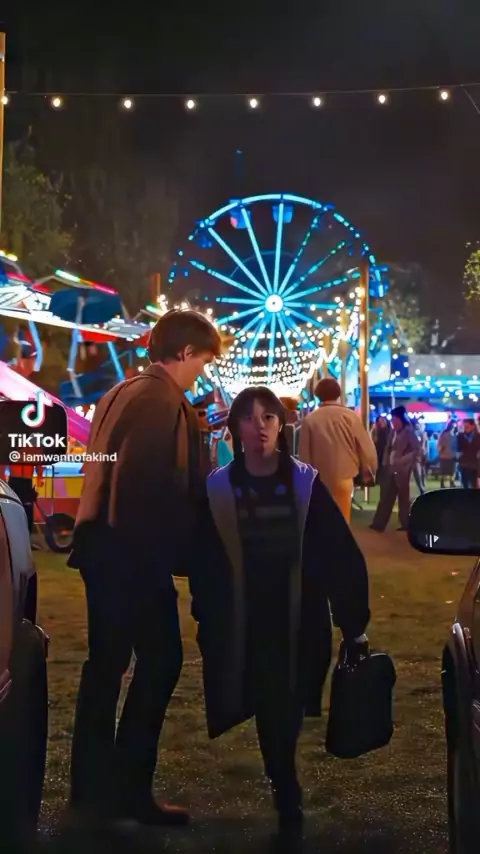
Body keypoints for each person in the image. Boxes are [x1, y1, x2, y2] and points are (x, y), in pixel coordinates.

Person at [189, 387, 370, 835]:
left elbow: (338, 553)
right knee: (269, 701)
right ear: (235, 428)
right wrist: (207, 615)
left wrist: (353, 623)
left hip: (299, 618)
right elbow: (204, 560)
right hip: (246, 618)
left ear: (281, 425)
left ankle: (284, 782)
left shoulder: (305, 485)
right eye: (249, 419)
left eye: (268, 417)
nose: (260, 427)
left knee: (285, 704)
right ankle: (286, 788)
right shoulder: (219, 490)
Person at [67, 309, 221, 826]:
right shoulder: (162, 400)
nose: (200, 373)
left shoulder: (120, 392)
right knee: (161, 660)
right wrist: (173, 557)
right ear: (185, 352)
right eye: (202, 361)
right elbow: (145, 484)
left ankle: (91, 790)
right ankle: (129, 788)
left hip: (100, 547)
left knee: (105, 666)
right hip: (132, 552)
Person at [298, 377, 377, 523]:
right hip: (345, 476)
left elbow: (305, 455)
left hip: (319, 479)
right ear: (338, 394)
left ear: (318, 394)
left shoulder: (310, 420)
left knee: (322, 520)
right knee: (342, 519)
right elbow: (365, 446)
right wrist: (370, 468)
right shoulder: (351, 417)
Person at [370, 406, 419, 532]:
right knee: (386, 496)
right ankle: (379, 523)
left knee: (403, 498)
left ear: (401, 419)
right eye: (392, 419)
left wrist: (402, 460)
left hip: (403, 470)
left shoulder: (409, 432)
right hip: (390, 468)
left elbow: (416, 450)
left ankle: (406, 523)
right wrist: (386, 461)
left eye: (395, 419)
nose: (393, 422)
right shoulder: (393, 432)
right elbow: (388, 446)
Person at [457, 418, 480, 489]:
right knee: (465, 485)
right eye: (464, 427)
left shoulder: (478, 437)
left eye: (467, 427)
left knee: (474, 485)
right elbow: (457, 449)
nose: (465, 429)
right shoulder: (460, 436)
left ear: (473, 426)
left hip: (474, 465)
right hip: (464, 464)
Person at [371, 415, 391, 484]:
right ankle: (378, 480)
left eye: (383, 420)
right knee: (378, 465)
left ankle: (384, 479)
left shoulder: (388, 429)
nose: (382, 422)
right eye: (381, 420)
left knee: (384, 465)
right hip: (377, 449)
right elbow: (373, 438)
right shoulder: (376, 429)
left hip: (385, 449)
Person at [437, 421, 457, 488]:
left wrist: (440, 451)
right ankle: (451, 482)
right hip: (451, 455)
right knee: (452, 470)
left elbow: (439, 444)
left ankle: (442, 483)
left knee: (444, 470)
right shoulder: (453, 435)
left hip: (444, 455)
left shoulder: (443, 434)